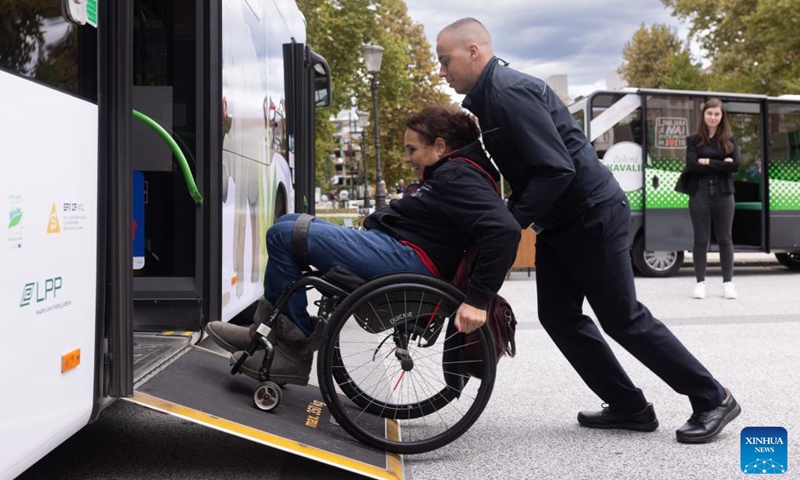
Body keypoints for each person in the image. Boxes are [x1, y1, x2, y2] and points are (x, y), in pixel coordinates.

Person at [435, 17, 741, 444]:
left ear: (473, 51)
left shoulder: (507, 94)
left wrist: (510, 220)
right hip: (562, 221)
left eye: (444, 60)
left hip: (591, 214)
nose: (441, 71)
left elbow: (556, 169)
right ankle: (629, 407)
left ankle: (712, 398)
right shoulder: (489, 100)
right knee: (558, 316)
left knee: (623, 319)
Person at [205, 105, 520, 386]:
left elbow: (505, 230)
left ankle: (291, 349)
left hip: (410, 259)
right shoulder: (451, 170)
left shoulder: (458, 175)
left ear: (440, 146)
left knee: (285, 235)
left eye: (412, 150)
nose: (407, 158)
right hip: (400, 248)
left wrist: (477, 301)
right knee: (289, 223)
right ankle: (263, 332)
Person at [683, 99, 741, 300]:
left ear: (722, 116)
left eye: (717, 114)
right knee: (700, 239)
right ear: (704, 115)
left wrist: (707, 161)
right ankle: (700, 283)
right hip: (699, 192)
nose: (713, 117)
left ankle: (728, 283)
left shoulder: (729, 139)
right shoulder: (693, 140)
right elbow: (692, 166)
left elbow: (735, 166)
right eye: (710, 114)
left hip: (724, 193)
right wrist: (721, 163)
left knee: (725, 239)